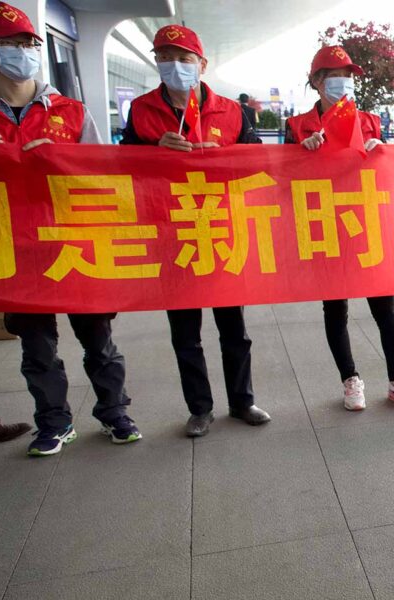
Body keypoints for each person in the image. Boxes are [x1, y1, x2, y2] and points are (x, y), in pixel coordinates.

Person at [0, 1, 140, 456]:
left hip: (75, 244)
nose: (22, 52)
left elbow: (102, 179)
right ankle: (53, 422)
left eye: (27, 44)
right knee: (37, 349)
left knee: (99, 341)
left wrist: (57, 161)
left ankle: (114, 411)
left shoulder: (72, 113)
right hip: (17, 253)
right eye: (9, 44)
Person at [121, 24, 271, 437]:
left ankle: (243, 402)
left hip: (221, 231)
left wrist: (226, 155)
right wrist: (155, 152)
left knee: (234, 330)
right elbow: (121, 164)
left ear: (202, 64)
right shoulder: (141, 110)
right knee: (185, 332)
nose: (175, 66)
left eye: (184, 59)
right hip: (172, 234)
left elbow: (256, 154)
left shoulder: (230, 109)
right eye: (165, 58)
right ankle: (199, 409)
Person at [284, 45, 394, 411]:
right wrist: (301, 153)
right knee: (335, 308)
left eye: (348, 76)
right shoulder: (297, 127)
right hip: (325, 225)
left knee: (385, 307)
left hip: (367, 224)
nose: (343, 83)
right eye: (333, 76)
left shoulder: (370, 122)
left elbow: (389, 175)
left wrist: (382, 151)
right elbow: (281, 181)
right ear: (316, 82)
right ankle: (350, 380)